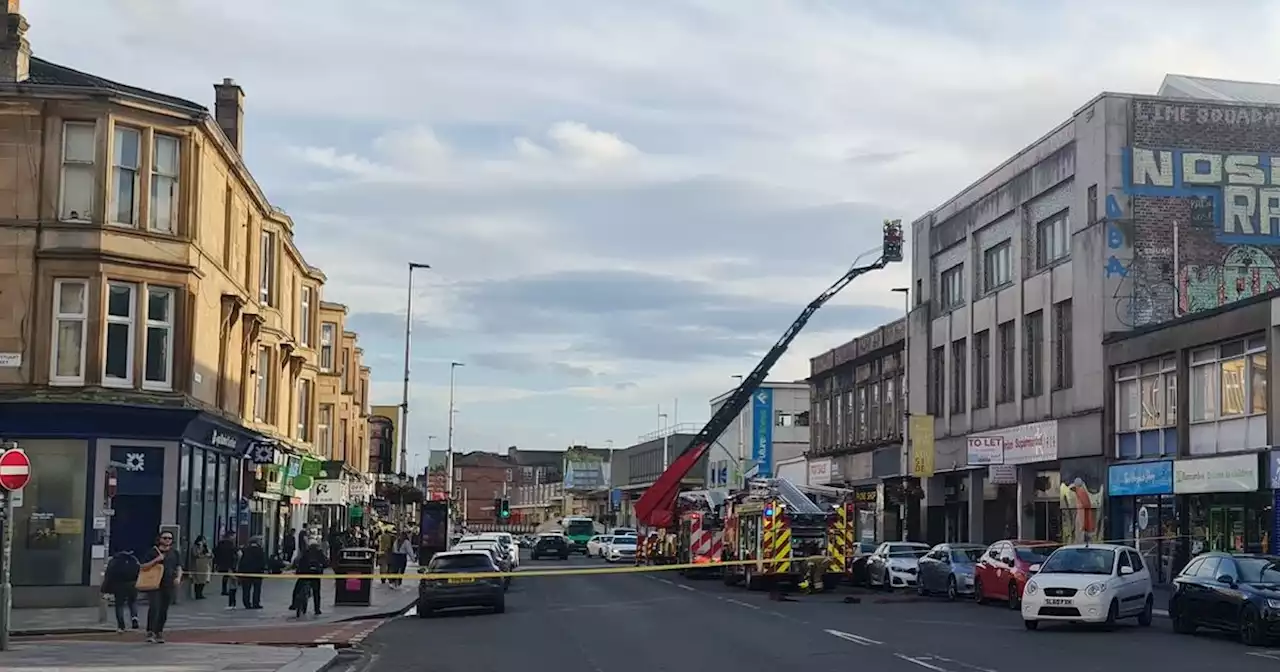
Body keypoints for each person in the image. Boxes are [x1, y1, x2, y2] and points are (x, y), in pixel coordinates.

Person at [140, 531, 181, 644]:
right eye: (165, 538)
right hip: (155, 584)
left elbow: (178, 567)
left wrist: (178, 578)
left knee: (164, 609)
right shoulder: (152, 552)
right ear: (160, 539)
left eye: (170, 538)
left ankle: (159, 631)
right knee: (154, 607)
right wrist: (156, 560)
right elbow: (143, 566)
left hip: (168, 584)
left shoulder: (174, 553)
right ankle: (150, 631)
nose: (167, 540)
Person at [101, 549, 140, 632]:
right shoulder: (133, 559)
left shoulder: (114, 561)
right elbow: (139, 571)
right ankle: (134, 618)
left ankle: (121, 625)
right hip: (132, 585)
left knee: (119, 605)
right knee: (132, 602)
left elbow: (109, 575)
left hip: (119, 585)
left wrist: (105, 589)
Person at [291, 541, 328, 616]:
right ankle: (317, 609)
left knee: (297, 589)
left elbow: (298, 560)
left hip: (304, 574)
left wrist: (297, 569)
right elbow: (325, 562)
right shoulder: (319, 552)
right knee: (316, 592)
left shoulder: (305, 552)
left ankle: (293, 604)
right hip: (315, 575)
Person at [236, 536, 267, 610]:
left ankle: (247, 603)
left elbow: (241, 561)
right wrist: (264, 569)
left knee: (246, 589)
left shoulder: (245, 550)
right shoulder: (260, 550)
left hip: (246, 572)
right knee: (257, 589)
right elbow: (262, 562)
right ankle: (256, 603)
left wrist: (239, 573)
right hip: (257, 572)